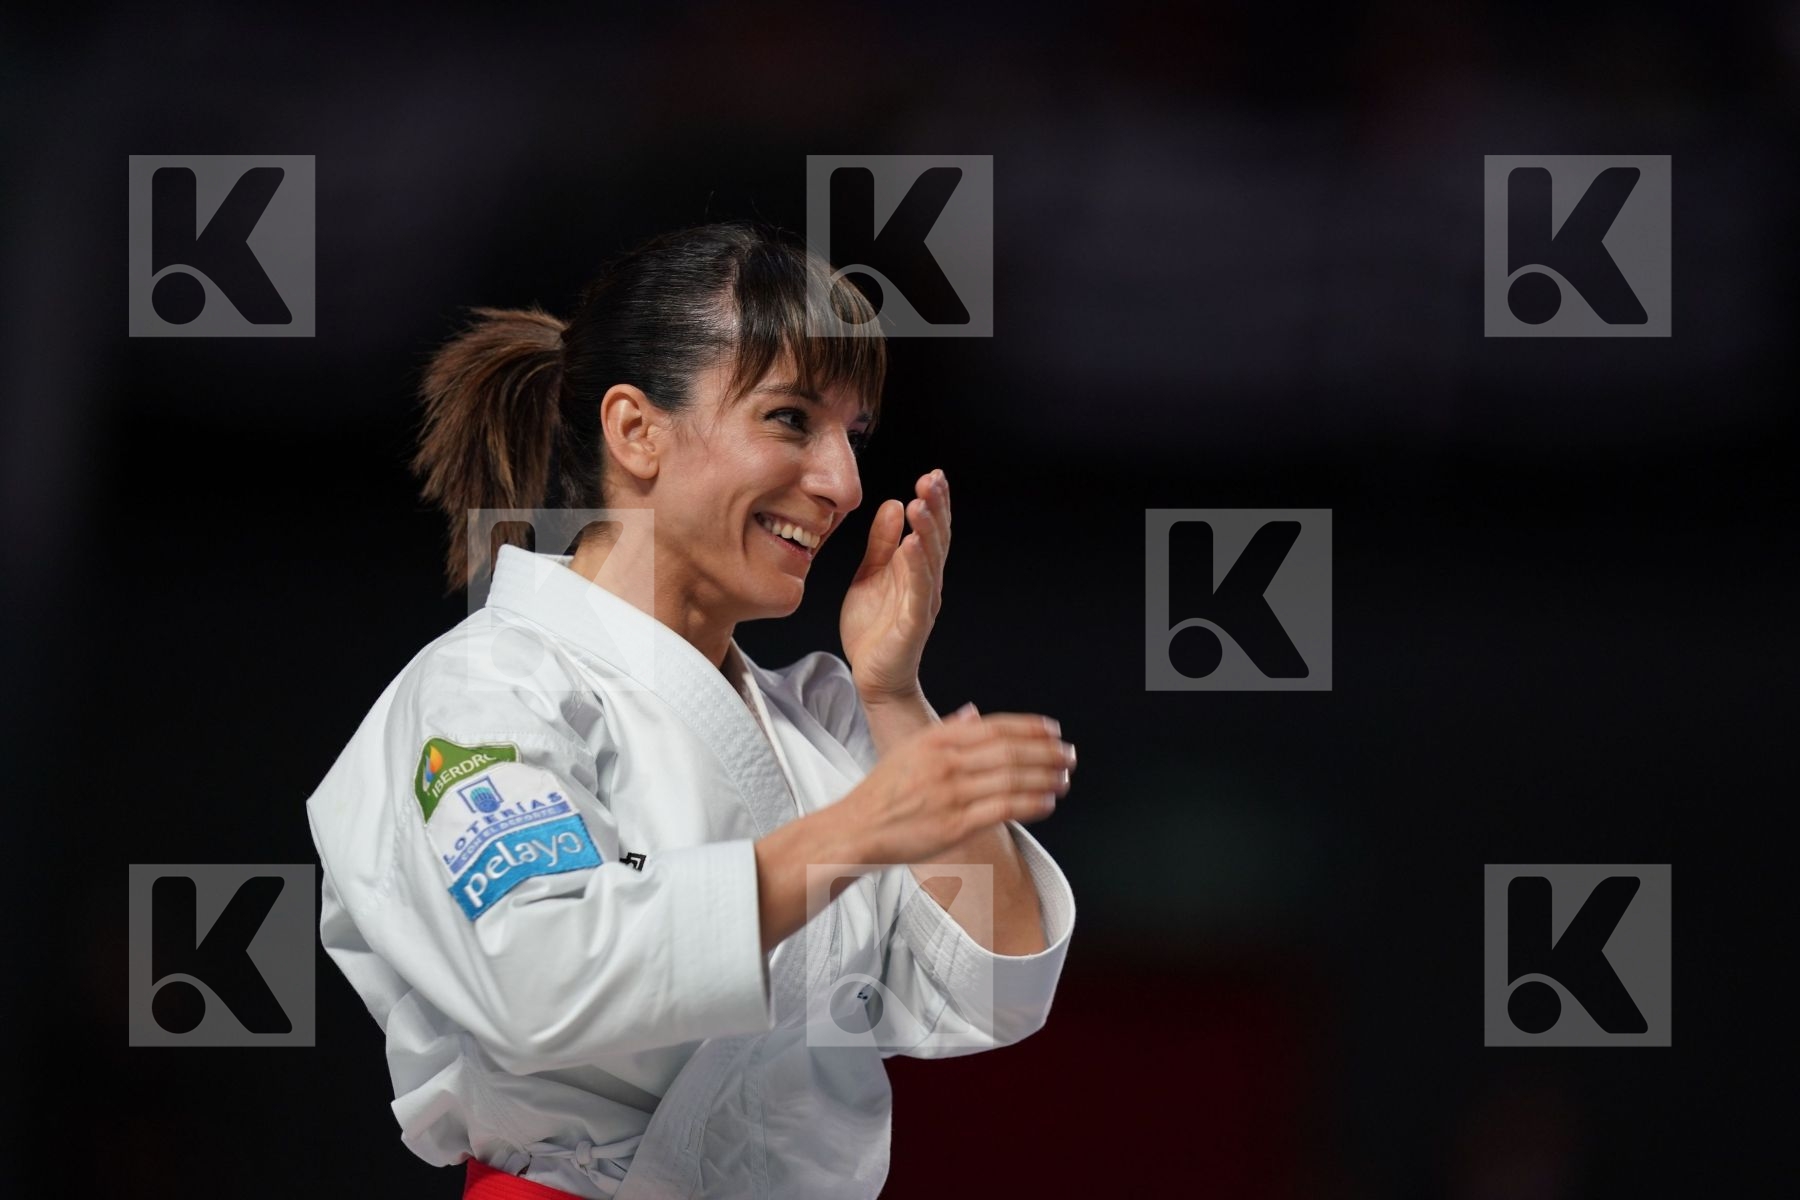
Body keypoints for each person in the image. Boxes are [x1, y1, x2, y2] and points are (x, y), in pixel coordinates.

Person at [304, 220, 1077, 1199]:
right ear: (636, 432)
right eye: (792, 419)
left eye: (855, 434)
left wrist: (891, 695)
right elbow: (539, 975)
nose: (841, 483)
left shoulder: (826, 725)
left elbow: (995, 990)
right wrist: (861, 826)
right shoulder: (487, 691)